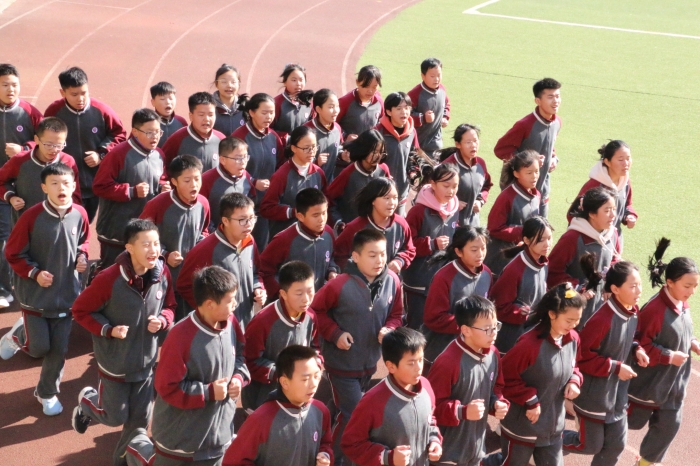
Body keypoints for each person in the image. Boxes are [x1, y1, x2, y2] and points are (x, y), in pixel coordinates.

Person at [71, 219, 176, 466]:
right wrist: (108, 330)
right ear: (129, 248)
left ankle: (120, 461)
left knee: (139, 423)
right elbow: (80, 310)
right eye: (146, 244)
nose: (153, 250)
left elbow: (170, 305)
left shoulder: (162, 273)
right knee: (114, 416)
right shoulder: (109, 278)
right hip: (115, 364)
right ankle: (87, 402)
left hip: (146, 363)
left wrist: (163, 320)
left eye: (156, 244)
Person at [126, 265, 250, 466]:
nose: (235, 304)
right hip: (180, 440)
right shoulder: (180, 337)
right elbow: (167, 387)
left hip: (217, 439)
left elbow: (242, 356)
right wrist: (208, 392)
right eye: (230, 300)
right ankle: (138, 448)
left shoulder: (231, 323)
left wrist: (238, 377)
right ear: (210, 304)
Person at [0, 163, 89, 416]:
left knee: (58, 350)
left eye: (66, 183)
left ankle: (47, 392)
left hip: (67, 296)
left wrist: (82, 256)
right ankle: (19, 336)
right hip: (35, 297)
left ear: (74, 185)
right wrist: (35, 273)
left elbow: (83, 242)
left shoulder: (80, 213)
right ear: (44, 187)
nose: (62, 188)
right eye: (55, 183)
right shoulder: (31, 216)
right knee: (39, 348)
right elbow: (13, 253)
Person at [312, 229, 403, 465]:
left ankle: (317, 438)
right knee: (354, 414)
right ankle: (336, 458)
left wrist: (390, 328)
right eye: (372, 255)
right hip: (341, 364)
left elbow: (397, 315)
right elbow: (315, 311)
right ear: (355, 257)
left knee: (341, 408)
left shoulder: (393, 282)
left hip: (370, 363)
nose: (379, 260)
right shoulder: (339, 285)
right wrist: (335, 334)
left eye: (383, 254)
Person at [563, 261, 645, 465]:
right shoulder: (602, 319)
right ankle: (543, 440)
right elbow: (581, 356)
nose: (639, 291)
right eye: (633, 286)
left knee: (616, 445)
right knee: (589, 445)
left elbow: (629, 338)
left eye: (639, 284)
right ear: (615, 289)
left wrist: (636, 348)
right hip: (594, 398)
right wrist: (614, 367)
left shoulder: (632, 312)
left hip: (617, 395)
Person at [627, 240, 700, 466]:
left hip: (674, 385)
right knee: (625, 423)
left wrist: (692, 341)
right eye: (687, 286)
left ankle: (644, 464)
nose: (692, 291)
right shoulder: (655, 310)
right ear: (670, 282)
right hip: (649, 384)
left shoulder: (682, 303)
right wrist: (668, 356)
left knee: (669, 425)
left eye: (695, 286)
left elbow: (683, 330)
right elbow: (640, 344)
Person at [499, 283, 585, 466]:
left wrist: (575, 380)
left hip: (553, 429)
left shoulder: (573, 339)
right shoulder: (528, 345)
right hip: (522, 428)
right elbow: (504, 376)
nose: (573, 325)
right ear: (552, 314)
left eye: (577, 320)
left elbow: (574, 366)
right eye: (569, 320)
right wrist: (529, 399)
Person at [340, 327, 443, 466]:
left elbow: (430, 420)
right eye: (411, 363)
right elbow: (351, 443)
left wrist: (434, 440)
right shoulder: (373, 401)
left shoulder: (426, 387)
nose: (419, 367)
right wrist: (387, 457)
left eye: (420, 360)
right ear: (391, 366)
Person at [427, 296, 508, 466]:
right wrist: (462, 411)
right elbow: (429, 408)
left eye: (496, 326)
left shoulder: (493, 353)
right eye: (487, 329)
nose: (494, 332)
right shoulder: (447, 363)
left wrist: (497, 403)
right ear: (466, 330)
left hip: (475, 450)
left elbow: (496, 387)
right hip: (447, 454)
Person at [222, 345, 333, 466]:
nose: (314, 384)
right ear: (285, 382)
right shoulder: (261, 420)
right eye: (305, 379)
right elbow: (233, 461)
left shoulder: (320, 411)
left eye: (316, 376)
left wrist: (325, 455)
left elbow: (325, 443)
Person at [44, 66, 126, 222]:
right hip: (65, 184)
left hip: (94, 183)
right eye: (74, 94)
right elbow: (43, 138)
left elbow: (119, 134)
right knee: (67, 222)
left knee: (86, 222)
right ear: (63, 93)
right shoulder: (54, 112)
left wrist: (101, 154)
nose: (80, 99)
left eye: (84, 93)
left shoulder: (101, 110)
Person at [93, 108, 170, 269]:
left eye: (158, 132)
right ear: (135, 132)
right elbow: (100, 186)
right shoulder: (118, 154)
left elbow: (161, 178)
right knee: (111, 273)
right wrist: (130, 191)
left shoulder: (159, 154)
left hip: (144, 232)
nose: (155, 137)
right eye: (149, 132)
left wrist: (163, 187)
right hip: (116, 232)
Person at [177, 193, 265, 329]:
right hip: (217, 327)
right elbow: (184, 285)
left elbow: (255, 273)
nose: (249, 225)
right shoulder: (206, 249)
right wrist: (211, 314)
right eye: (242, 220)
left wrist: (258, 288)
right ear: (225, 221)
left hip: (245, 323)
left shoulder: (249, 241)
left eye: (252, 218)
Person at [242, 261, 321, 411]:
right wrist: (284, 373)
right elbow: (248, 361)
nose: (306, 299)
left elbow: (315, 347)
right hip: (263, 399)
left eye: (310, 291)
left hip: (297, 396)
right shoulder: (263, 321)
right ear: (283, 294)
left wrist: (316, 363)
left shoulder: (311, 316)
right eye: (299, 293)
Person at [140, 155, 210, 321]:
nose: (194, 185)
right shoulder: (157, 205)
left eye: (197, 179)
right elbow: (140, 237)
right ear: (174, 181)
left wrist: (201, 244)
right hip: (160, 278)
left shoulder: (203, 204)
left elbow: (204, 231)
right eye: (187, 180)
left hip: (190, 280)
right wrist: (164, 254)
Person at [0, 63, 43, 307]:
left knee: (26, 236)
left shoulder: (29, 112)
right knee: (4, 236)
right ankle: (5, 289)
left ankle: (25, 281)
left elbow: (47, 140)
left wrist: (24, 149)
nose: (11, 89)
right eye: (5, 85)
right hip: (1, 187)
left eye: (14, 85)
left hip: (25, 186)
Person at [548, 186, 621, 327]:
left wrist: (611, 282)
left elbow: (614, 259)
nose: (613, 215)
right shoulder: (572, 238)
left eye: (614, 209)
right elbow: (552, 272)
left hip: (600, 309)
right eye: (607, 211)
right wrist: (578, 288)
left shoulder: (612, 234)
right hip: (573, 313)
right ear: (592, 214)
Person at [422, 226, 492, 363]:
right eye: (474, 250)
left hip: (471, 349)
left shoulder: (486, 274)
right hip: (441, 350)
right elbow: (433, 318)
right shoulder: (444, 277)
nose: (480, 254)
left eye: (483, 248)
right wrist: (471, 324)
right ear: (459, 251)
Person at [493, 77, 561, 217]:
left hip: (542, 190)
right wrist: (528, 162)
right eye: (550, 97)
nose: (556, 101)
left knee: (541, 227)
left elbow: (549, 145)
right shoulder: (525, 125)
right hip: (518, 193)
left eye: (558, 96)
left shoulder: (557, 122)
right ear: (538, 101)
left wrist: (553, 158)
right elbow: (500, 149)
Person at [404, 164, 460, 330]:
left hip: (441, 280)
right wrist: (431, 244)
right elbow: (406, 243)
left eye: (455, 186)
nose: (451, 191)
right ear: (433, 184)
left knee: (435, 324)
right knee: (415, 325)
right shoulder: (418, 211)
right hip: (418, 280)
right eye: (446, 186)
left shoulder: (454, 209)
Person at [0, 116, 81, 225]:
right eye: (48, 145)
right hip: (26, 224)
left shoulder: (68, 161)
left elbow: (75, 195)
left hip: (58, 224)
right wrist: (11, 197)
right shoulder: (20, 160)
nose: (54, 149)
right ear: (37, 140)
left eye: (59, 145)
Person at [259, 188, 338, 298]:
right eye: (315, 215)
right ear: (300, 216)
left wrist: (331, 271)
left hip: (318, 301)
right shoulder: (284, 239)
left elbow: (331, 258)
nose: (322, 219)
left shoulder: (329, 233)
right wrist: (282, 294)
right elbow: (263, 270)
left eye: (324, 213)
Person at [231, 93, 284, 249]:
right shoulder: (239, 137)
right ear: (252, 112)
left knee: (263, 248)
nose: (269, 117)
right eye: (264, 112)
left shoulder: (273, 137)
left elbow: (280, 165)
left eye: (272, 112)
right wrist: (253, 182)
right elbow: (229, 169)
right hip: (243, 205)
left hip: (266, 206)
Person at [492, 216, 552, 353]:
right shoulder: (514, 269)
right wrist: (520, 312)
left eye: (549, 238)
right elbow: (498, 306)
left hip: (530, 332)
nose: (547, 244)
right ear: (526, 240)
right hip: (510, 338)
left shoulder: (543, 262)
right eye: (541, 240)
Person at [332, 178, 414, 272]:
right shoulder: (355, 228)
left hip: (390, 280)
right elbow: (338, 255)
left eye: (395, 198)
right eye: (386, 198)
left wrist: (400, 261)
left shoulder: (401, 224)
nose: (392, 203)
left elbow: (409, 249)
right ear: (373, 200)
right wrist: (357, 272)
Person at [259, 125, 327, 238]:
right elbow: (266, 208)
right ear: (293, 148)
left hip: (310, 236)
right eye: (306, 148)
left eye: (314, 147)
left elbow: (325, 201)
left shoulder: (318, 173)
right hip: (285, 237)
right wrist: (292, 212)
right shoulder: (281, 175)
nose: (311, 152)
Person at [570, 140, 636, 250]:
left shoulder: (625, 182)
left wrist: (629, 216)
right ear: (607, 162)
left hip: (614, 241)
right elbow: (573, 214)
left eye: (628, 158)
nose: (626, 163)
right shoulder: (594, 185)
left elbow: (627, 205)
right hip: (591, 244)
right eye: (620, 160)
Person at [484, 150, 541, 277]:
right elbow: (494, 229)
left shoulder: (536, 194)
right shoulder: (507, 197)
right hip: (500, 258)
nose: (534, 176)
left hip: (522, 257)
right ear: (516, 173)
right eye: (529, 173)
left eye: (537, 171)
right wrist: (524, 232)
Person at [325, 129, 390, 230]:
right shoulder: (348, 173)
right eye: (374, 152)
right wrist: (338, 222)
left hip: (375, 228)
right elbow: (329, 198)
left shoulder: (383, 170)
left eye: (381, 152)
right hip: (352, 229)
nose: (378, 156)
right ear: (363, 149)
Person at [200, 136, 260, 233]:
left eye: (245, 157)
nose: (243, 162)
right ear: (223, 160)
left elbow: (252, 202)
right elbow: (200, 211)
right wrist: (214, 233)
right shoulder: (207, 180)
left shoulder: (246, 176)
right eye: (238, 158)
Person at [438, 124, 492, 227]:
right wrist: (453, 204)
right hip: (449, 224)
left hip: (473, 225)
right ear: (458, 144)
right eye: (468, 142)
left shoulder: (481, 164)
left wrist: (480, 201)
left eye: (475, 141)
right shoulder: (447, 167)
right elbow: (434, 193)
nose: (473, 145)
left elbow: (486, 185)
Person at [375, 91, 420, 214]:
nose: (404, 112)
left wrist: (413, 172)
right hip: (380, 191)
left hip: (401, 191)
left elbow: (414, 156)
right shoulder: (378, 132)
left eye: (407, 108)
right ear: (388, 111)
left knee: (398, 222)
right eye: (399, 108)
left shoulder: (412, 132)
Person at [162, 91, 226, 173]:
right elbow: (162, 165)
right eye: (201, 115)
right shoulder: (177, 139)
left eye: (211, 115)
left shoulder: (221, 139)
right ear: (191, 116)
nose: (207, 119)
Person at [408, 57, 450, 152]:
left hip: (437, 144)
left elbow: (447, 105)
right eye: (432, 76)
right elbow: (405, 116)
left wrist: (445, 117)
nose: (436, 79)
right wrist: (422, 118)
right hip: (419, 146)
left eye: (439, 75)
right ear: (423, 76)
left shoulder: (442, 89)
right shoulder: (414, 94)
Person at [305, 88, 344, 182]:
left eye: (337, 106)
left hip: (329, 183)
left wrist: (342, 155)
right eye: (331, 107)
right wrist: (316, 162)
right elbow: (296, 161)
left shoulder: (337, 128)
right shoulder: (306, 131)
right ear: (318, 109)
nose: (336, 111)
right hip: (308, 183)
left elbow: (338, 148)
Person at [337, 65, 383, 141]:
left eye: (374, 87)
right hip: (350, 147)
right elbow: (331, 124)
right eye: (366, 86)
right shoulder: (345, 102)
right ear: (357, 82)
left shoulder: (379, 102)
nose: (370, 91)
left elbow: (383, 124)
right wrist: (345, 136)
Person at [271, 63, 314, 138]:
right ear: (285, 82)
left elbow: (313, 127)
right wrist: (286, 138)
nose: (298, 84)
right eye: (294, 80)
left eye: (301, 80)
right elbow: (268, 129)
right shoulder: (276, 103)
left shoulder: (310, 103)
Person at [150, 81, 187, 148]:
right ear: (153, 102)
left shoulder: (181, 122)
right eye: (162, 99)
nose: (168, 102)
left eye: (171, 98)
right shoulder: (147, 123)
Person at [212, 64, 246, 135]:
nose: (229, 85)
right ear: (216, 84)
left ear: (238, 84)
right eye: (224, 82)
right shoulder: (209, 106)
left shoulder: (245, 107)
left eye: (233, 82)